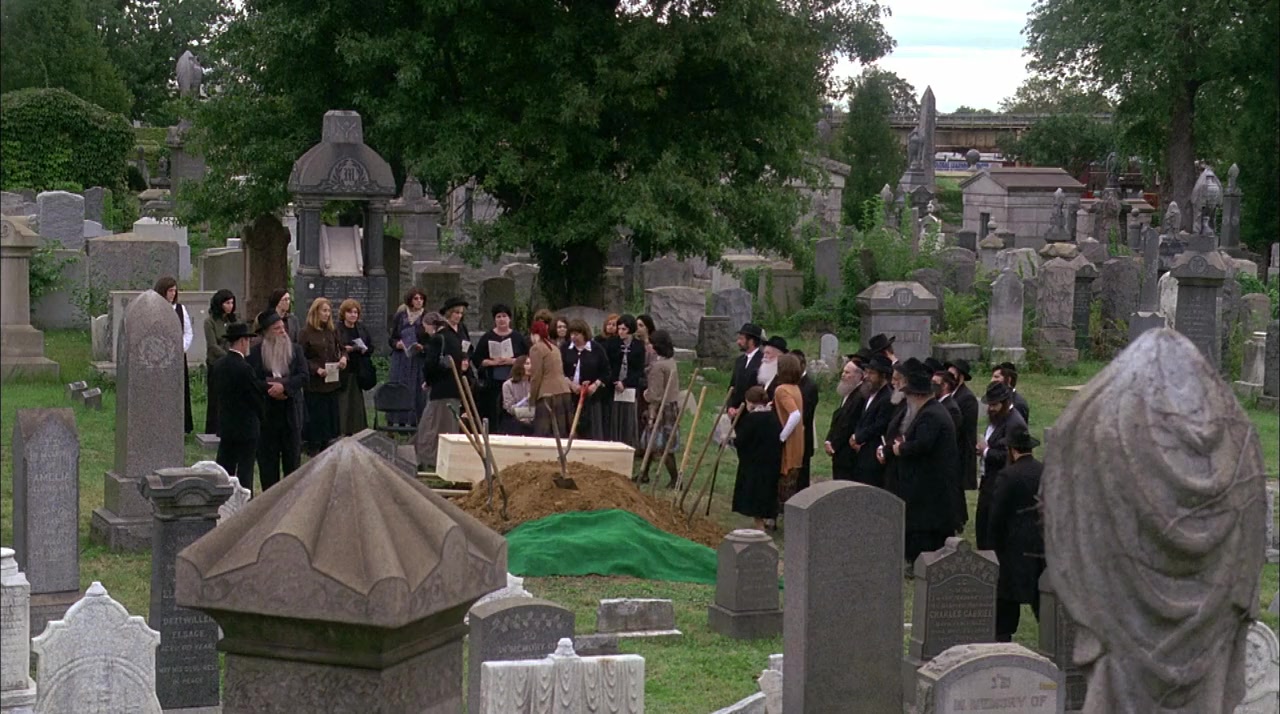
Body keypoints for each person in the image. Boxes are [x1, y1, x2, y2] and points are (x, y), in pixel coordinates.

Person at [885, 362, 960, 565]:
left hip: (932, 485)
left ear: (917, 395)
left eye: (909, 395)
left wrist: (900, 449)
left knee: (926, 530)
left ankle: (920, 562)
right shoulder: (929, 411)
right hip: (927, 483)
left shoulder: (931, 414)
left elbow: (923, 444)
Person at [987, 425, 1045, 642]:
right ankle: (1054, 639)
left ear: (1011, 450)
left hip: (1013, 549)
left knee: (1006, 602)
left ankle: (1002, 641)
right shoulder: (1043, 471)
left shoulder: (1008, 476)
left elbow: (997, 516)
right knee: (1043, 600)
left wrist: (992, 546)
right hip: (1041, 547)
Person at [247, 312, 308, 491]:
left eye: (283, 327)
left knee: (292, 464)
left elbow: (304, 376)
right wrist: (270, 389)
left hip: (290, 414)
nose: (282, 331)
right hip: (267, 416)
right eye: (277, 329)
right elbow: (252, 381)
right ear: (266, 332)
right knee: (268, 465)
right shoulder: (256, 353)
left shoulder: (295, 350)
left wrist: (285, 388)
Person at [417, 298, 473, 469]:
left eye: (461, 313)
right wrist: (430, 380)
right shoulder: (445, 337)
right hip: (444, 387)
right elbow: (433, 365)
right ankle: (431, 459)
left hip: (449, 387)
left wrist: (464, 362)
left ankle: (435, 459)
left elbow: (431, 365)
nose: (458, 316)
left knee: (440, 425)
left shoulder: (451, 335)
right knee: (436, 424)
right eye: (456, 312)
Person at [209, 323, 266, 487]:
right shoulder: (244, 368)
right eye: (248, 340)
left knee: (224, 469)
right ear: (242, 341)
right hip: (246, 428)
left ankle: (222, 498)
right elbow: (254, 397)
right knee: (245, 472)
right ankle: (244, 500)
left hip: (226, 425)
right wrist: (263, 416)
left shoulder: (218, 365)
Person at [974, 381, 1028, 550]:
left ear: (1004, 403)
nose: (990, 408)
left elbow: (1009, 455)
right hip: (988, 480)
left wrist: (986, 451)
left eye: (994, 405)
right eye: (989, 404)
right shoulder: (998, 418)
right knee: (982, 526)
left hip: (999, 483)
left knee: (991, 530)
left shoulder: (1014, 423)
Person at [298, 297, 346, 455]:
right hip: (315, 384)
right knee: (316, 417)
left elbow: (342, 348)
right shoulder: (306, 332)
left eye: (329, 311)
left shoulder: (332, 331)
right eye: (324, 311)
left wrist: (343, 358)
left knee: (330, 417)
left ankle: (329, 444)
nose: (327, 314)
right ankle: (313, 446)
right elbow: (300, 356)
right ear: (316, 312)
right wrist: (315, 369)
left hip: (331, 381)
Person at [731, 386, 782, 530]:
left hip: (754, 464)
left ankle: (760, 527)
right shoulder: (773, 417)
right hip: (771, 462)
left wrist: (731, 440)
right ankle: (765, 521)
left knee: (755, 496)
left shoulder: (752, 419)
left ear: (751, 402)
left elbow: (742, 440)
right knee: (766, 494)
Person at [473, 303, 529, 431]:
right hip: (491, 383)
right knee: (492, 411)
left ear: (509, 319)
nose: (501, 319)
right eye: (498, 316)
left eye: (504, 316)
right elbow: (477, 359)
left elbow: (526, 357)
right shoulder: (487, 337)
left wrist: (511, 361)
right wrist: (492, 362)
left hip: (513, 381)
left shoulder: (517, 337)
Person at [639, 330, 681, 486]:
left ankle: (675, 479)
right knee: (650, 443)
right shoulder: (671, 362)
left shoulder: (658, 367)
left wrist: (645, 395)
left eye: (650, 344)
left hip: (661, 409)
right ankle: (644, 474)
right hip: (672, 406)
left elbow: (654, 395)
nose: (648, 346)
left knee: (663, 444)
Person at [154, 277, 195, 434]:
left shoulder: (180, 309)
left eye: (175, 290)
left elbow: (188, 332)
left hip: (178, 355)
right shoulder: (155, 309)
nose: (173, 293)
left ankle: (182, 427)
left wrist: (181, 348)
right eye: (170, 290)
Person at [850, 354, 895, 488]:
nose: (867, 376)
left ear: (883, 376)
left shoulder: (887, 398)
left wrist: (859, 437)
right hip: (862, 452)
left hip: (873, 454)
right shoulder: (870, 393)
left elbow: (880, 425)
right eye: (867, 372)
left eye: (872, 373)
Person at [562, 319, 611, 440]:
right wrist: (570, 384)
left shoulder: (597, 349)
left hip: (591, 398)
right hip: (570, 395)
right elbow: (560, 370)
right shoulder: (565, 348)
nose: (573, 337)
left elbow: (606, 372)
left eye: (576, 334)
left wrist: (595, 385)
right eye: (571, 334)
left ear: (584, 334)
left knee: (590, 429)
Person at [933, 368, 968, 532]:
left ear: (945, 385)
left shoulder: (951, 408)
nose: (931, 386)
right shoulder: (940, 405)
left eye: (935, 383)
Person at [387, 288, 429, 426]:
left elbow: (432, 340)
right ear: (410, 300)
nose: (419, 301)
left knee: (416, 390)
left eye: (421, 299)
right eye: (416, 298)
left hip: (418, 359)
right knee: (399, 387)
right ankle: (398, 421)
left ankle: (415, 422)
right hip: (401, 358)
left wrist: (422, 347)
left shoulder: (427, 317)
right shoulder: (401, 316)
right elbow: (392, 338)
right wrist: (396, 344)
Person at [527, 319, 574, 438]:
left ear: (533, 334)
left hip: (548, 395)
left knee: (545, 434)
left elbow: (536, 376)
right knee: (562, 432)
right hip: (564, 391)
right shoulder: (554, 348)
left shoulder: (536, 348)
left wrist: (532, 399)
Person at [607, 314, 646, 448]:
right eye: (619, 329)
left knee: (628, 416)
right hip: (614, 385)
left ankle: (628, 443)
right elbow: (609, 365)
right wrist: (615, 381)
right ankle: (614, 442)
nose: (620, 332)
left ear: (630, 330)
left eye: (624, 329)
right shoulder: (612, 343)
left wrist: (625, 383)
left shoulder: (638, 346)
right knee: (614, 415)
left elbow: (638, 369)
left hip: (630, 386)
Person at [202, 289, 237, 435]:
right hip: (216, 364)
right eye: (227, 303)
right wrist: (229, 356)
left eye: (232, 303)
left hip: (232, 364)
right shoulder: (210, 322)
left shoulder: (233, 321)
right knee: (215, 399)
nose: (230, 306)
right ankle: (213, 429)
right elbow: (212, 345)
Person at [336, 298, 373, 435]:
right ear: (344, 313)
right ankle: (342, 431)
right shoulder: (338, 329)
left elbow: (371, 347)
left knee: (356, 403)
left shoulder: (361, 328)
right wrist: (346, 350)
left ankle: (357, 431)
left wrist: (363, 349)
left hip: (358, 370)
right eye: (350, 312)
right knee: (343, 402)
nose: (353, 315)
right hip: (344, 370)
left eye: (355, 312)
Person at [824, 359, 866, 481]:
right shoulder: (848, 392)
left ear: (859, 376)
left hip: (847, 453)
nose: (843, 375)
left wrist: (834, 444)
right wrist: (829, 439)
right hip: (839, 452)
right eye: (843, 371)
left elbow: (848, 424)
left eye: (847, 373)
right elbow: (838, 419)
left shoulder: (860, 396)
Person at [772, 353, 805, 505]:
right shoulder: (796, 388)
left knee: (784, 484)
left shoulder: (781, 390)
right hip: (798, 442)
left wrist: (782, 436)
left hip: (789, 444)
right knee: (791, 482)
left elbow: (795, 414)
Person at [946, 359, 980, 491]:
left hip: (961, 454)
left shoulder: (967, 398)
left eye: (952, 375)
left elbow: (964, 431)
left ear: (960, 377)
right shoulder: (950, 395)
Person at [790, 349, 820, 492]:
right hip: (792, 436)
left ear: (802, 365)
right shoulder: (791, 382)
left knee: (801, 477)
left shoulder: (809, 386)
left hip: (802, 438)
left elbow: (804, 414)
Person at [727, 323, 764, 417]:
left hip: (752, 413)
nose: (738, 342)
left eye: (741, 339)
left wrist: (743, 408)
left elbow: (760, 390)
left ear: (751, 341)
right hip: (735, 414)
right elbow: (732, 386)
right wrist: (730, 407)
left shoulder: (762, 361)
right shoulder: (739, 361)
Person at [500, 355, 535, 435]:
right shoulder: (507, 385)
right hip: (514, 418)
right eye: (527, 364)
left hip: (532, 416)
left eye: (531, 364)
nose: (530, 367)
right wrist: (525, 399)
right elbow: (510, 409)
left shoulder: (534, 384)